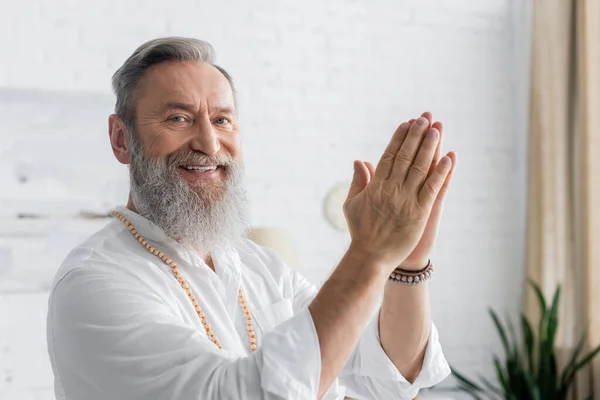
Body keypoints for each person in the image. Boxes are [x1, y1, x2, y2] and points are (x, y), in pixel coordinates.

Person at [46, 37, 457, 400]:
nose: (209, 142)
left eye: (222, 119)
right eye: (178, 118)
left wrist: (405, 263)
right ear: (122, 139)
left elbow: (389, 381)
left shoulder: (261, 266)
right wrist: (369, 254)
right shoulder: (94, 282)